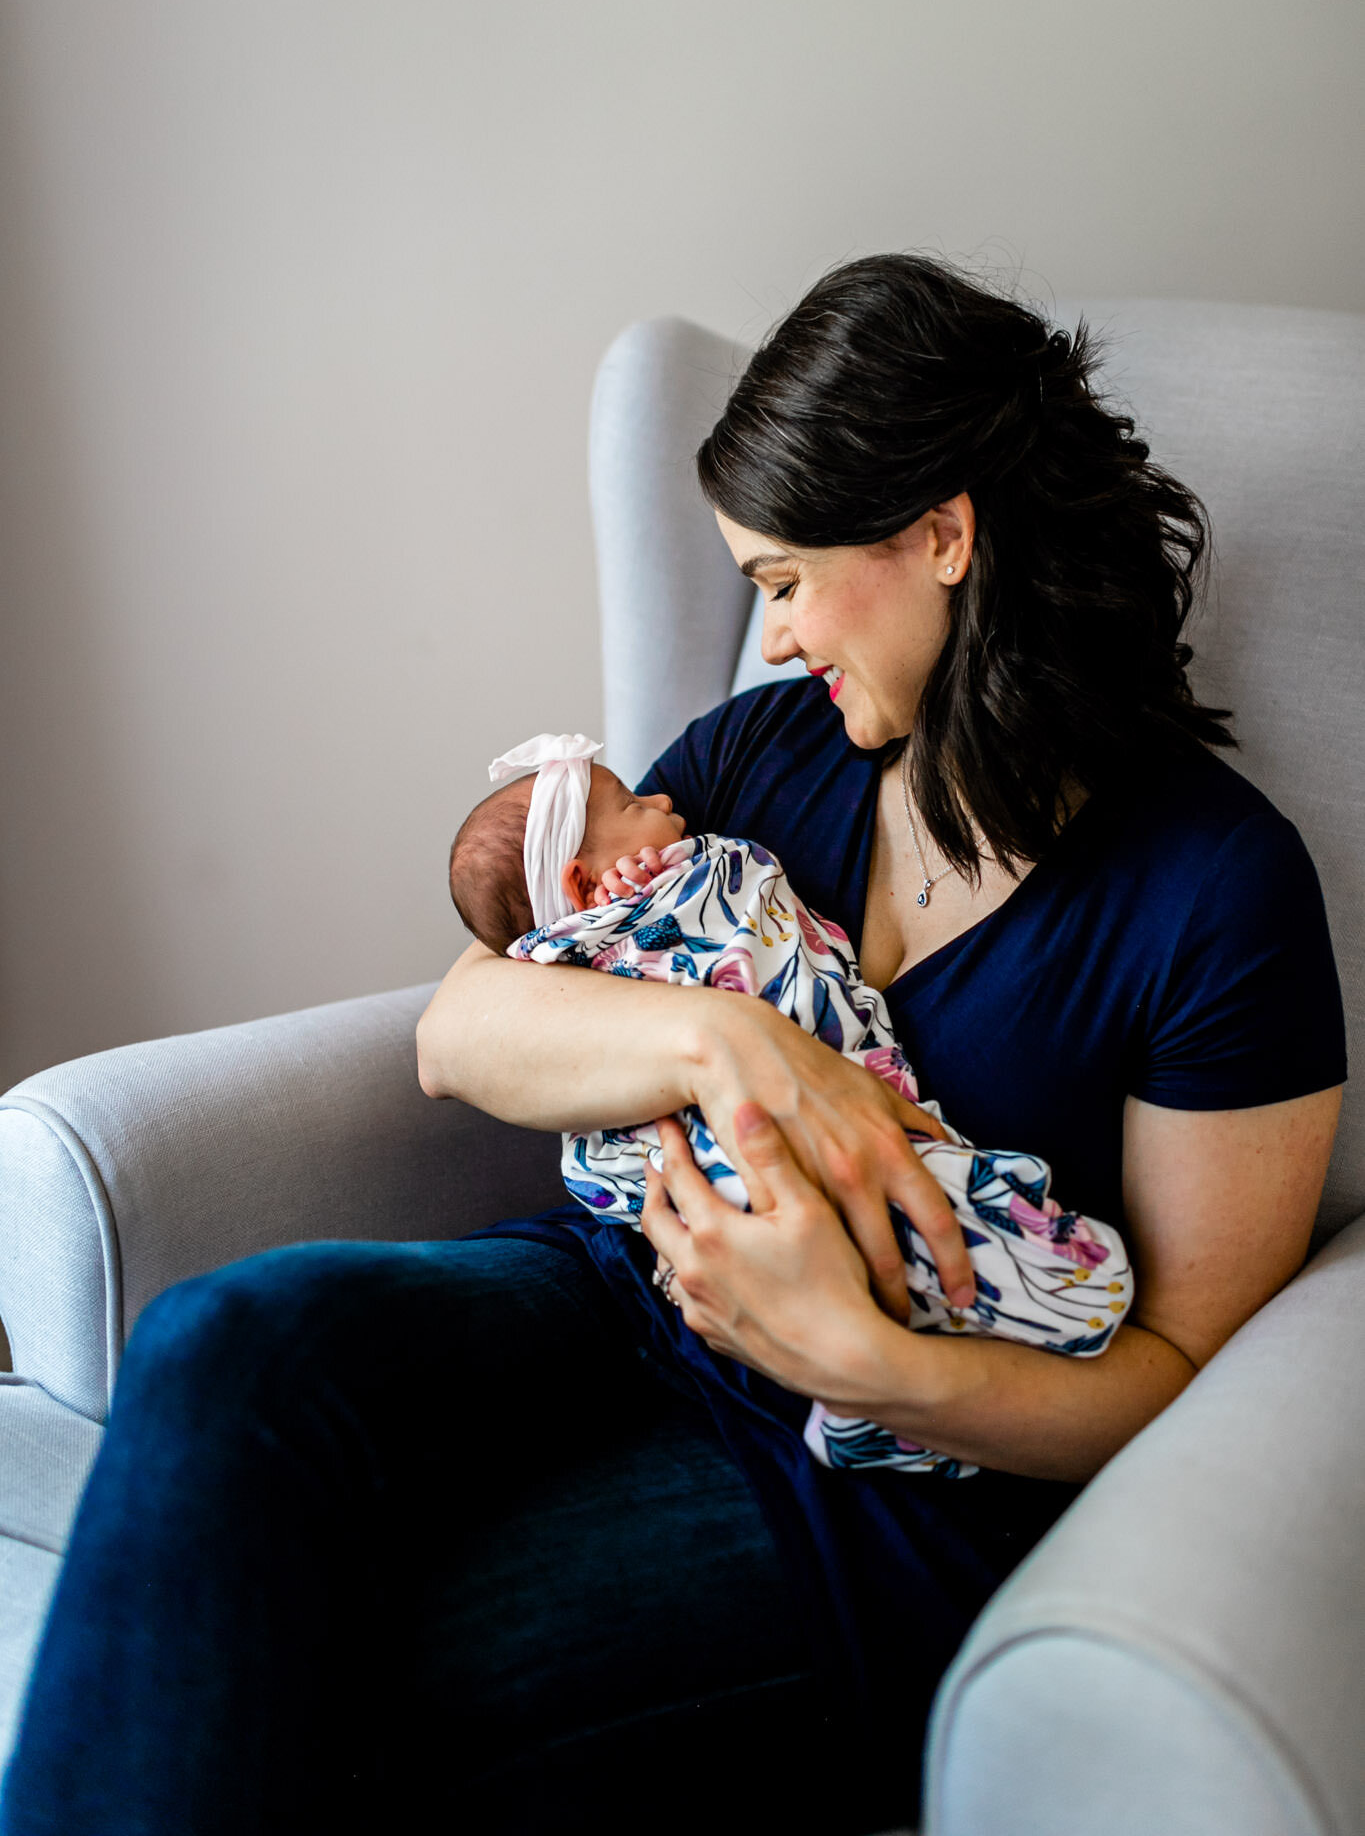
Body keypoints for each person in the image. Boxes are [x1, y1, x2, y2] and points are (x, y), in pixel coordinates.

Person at [0, 254, 1346, 1836]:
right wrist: (731, 1047)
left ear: (942, 533)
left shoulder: (1215, 890)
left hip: (872, 1478)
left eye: (780, 581)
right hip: (613, 1296)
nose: (767, 641)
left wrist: (869, 1364)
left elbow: (1179, 1370)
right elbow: (472, 1022)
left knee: (354, 1673)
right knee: (222, 1343)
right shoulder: (764, 755)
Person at [448, 733, 1135, 1475]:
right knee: (309, 1319)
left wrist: (872, 1371)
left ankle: (908, 1369)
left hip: (789, 1422)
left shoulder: (1199, 880)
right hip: (633, 1258)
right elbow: (454, 1030)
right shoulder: (743, 748)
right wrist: (724, 1035)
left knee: (893, 1218)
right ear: (585, 890)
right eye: (632, 805)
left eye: (784, 602)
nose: (661, 801)